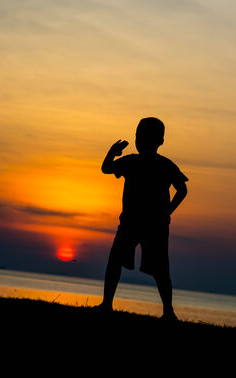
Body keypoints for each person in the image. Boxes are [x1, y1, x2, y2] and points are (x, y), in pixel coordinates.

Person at [95, 117, 188, 320]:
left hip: (154, 225)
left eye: (144, 137)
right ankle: (107, 304)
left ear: (159, 141)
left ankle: (168, 311)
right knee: (116, 260)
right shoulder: (131, 161)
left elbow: (182, 189)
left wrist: (167, 211)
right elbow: (106, 168)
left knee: (160, 268)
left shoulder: (164, 165)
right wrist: (113, 152)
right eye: (138, 136)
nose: (140, 140)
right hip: (131, 222)